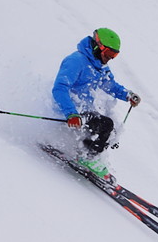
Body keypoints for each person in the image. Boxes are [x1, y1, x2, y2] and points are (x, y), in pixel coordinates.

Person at [52, 28, 141, 178]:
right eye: (109, 53)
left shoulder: (100, 67)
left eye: (114, 55)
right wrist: (70, 113)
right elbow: (59, 88)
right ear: (97, 46)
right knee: (106, 125)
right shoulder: (76, 61)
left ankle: (84, 153)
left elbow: (110, 85)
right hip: (69, 112)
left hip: (82, 113)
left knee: (111, 133)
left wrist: (127, 95)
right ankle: (87, 157)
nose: (110, 58)